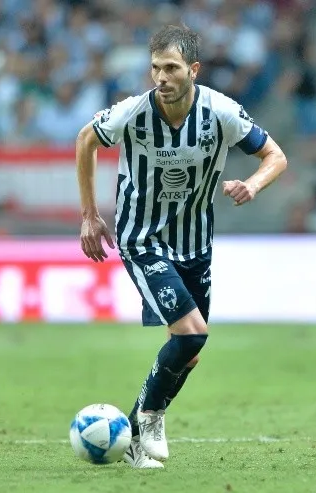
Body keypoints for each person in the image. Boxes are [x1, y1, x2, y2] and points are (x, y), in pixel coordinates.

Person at [75, 25, 288, 469]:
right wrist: (90, 214)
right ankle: (150, 417)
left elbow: (276, 156)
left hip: (195, 244)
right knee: (192, 333)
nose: (161, 77)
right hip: (143, 239)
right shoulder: (133, 112)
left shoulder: (221, 112)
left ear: (193, 69)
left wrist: (252, 185)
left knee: (188, 352)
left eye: (171, 68)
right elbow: (86, 140)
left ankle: (133, 438)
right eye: (155, 68)